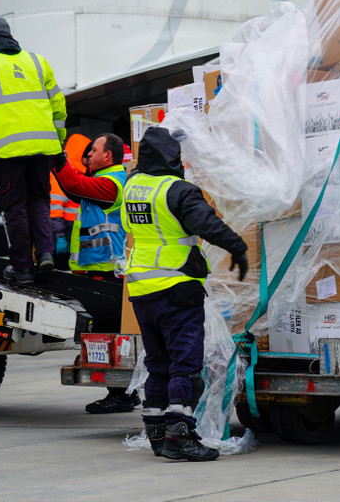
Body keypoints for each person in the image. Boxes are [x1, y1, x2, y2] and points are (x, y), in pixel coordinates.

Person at [118, 127, 249, 462]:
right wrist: (237, 247)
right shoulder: (177, 191)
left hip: (142, 289)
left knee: (158, 364)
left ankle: (157, 434)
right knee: (186, 365)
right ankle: (180, 434)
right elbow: (207, 225)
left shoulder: (133, 188)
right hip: (177, 288)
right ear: (173, 158)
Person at [0, 17, 67, 284]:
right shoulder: (37, 62)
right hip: (43, 147)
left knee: (15, 207)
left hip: (8, 153)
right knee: (40, 201)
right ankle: (45, 254)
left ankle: (22, 269)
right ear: (10, 36)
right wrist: (58, 143)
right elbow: (58, 107)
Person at [53, 133, 141, 414]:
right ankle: (124, 392)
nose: (88, 154)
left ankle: (121, 393)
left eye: (94, 150)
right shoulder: (104, 180)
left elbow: (74, 184)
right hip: (101, 271)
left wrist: (56, 157)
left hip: (108, 271)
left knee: (110, 333)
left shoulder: (111, 182)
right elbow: (73, 190)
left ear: (109, 156)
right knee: (109, 332)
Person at [50, 133, 92, 270]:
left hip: (73, 231)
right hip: (63, 233)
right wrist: (59, 236)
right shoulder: (63, 175)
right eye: (87, 155)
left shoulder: (80, 175)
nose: (89, 158)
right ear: (81, 155)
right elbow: (55, 209)